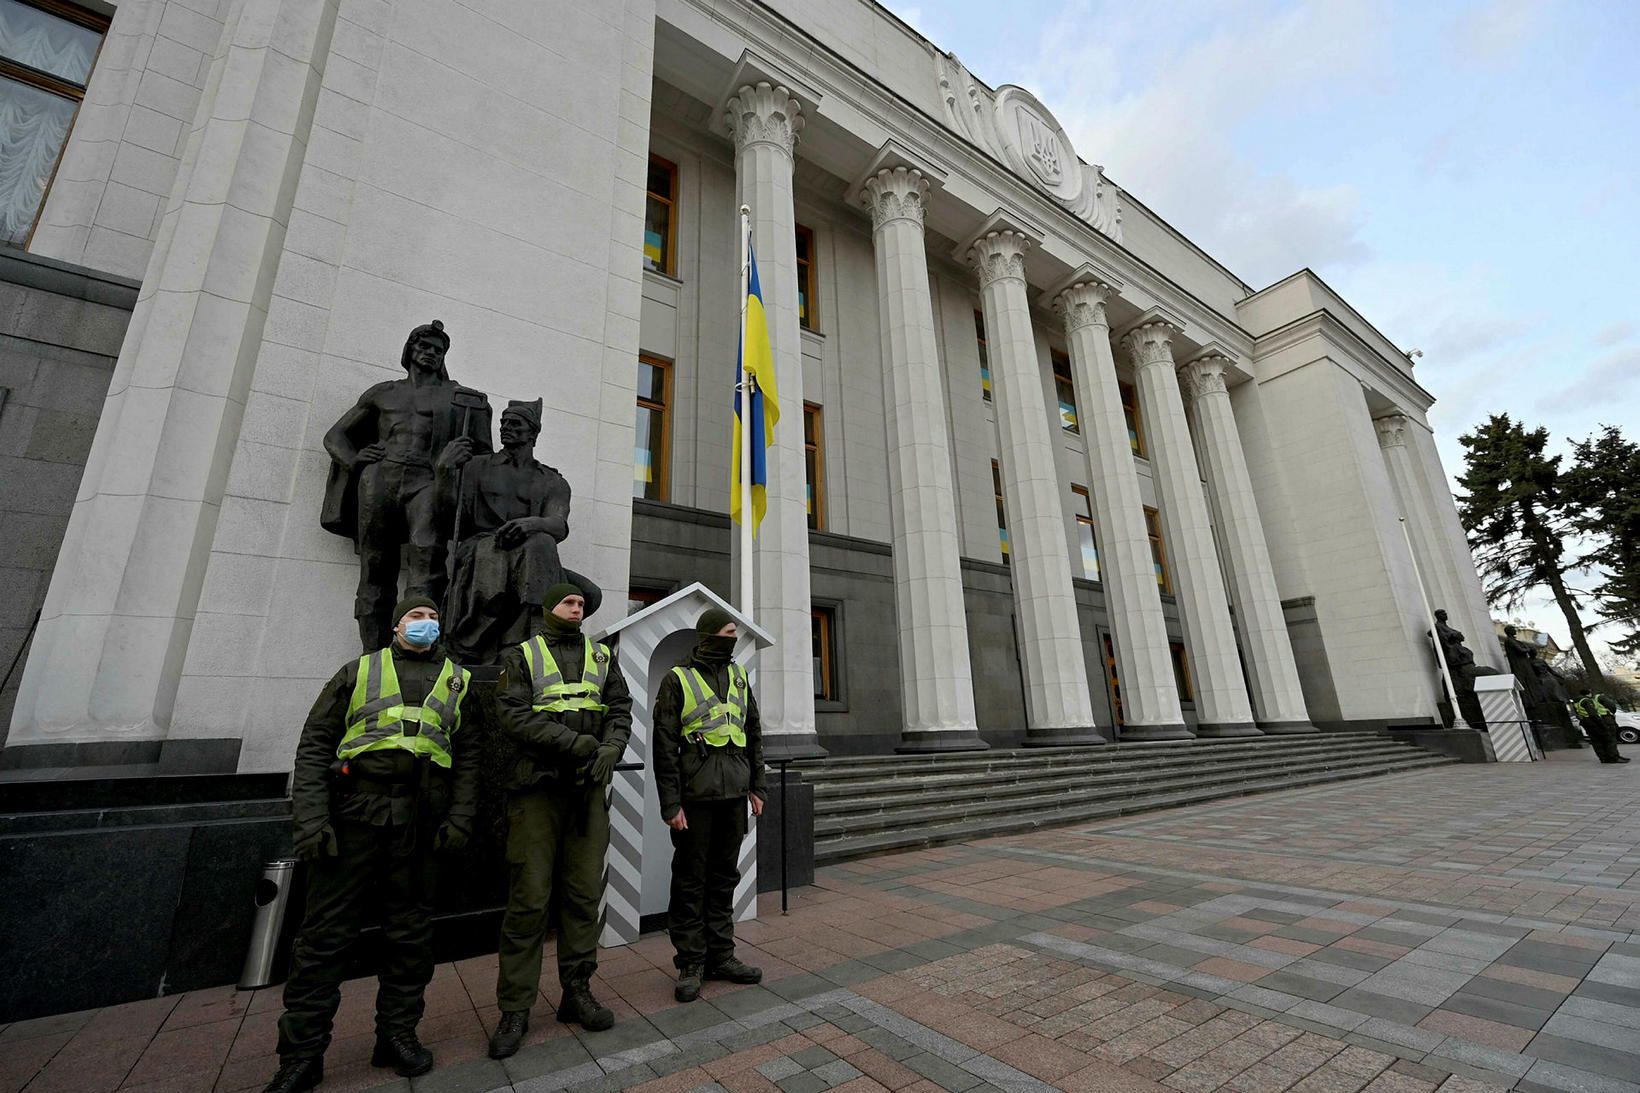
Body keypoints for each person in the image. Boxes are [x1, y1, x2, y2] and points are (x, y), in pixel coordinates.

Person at [264, 597, 477, 1093]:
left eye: (432, 617)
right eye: (415, 617)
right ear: (397, 625)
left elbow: (467, 756)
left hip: (420, 825)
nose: (426, 624)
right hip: (354, 818)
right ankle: (301, 1056)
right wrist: (312, 822)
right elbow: (315, 743)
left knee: (410, 938)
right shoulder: (357, 671)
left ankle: (397, 1036)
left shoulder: (457, 679)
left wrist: (461, 818)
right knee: (323, 940)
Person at [488, 583, 633, 1059]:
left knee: (583, 897)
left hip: (587, 794)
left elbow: (620, 709)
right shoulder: (522, 655)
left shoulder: (601, 656)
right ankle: (515, 1009)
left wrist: (612, 747)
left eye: (582, 605)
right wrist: (577, 745)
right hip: (537, 791)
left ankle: (577, 992)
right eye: (570, 604)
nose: (578, 609)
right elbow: (512, 717)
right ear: (550, 608)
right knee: (529, 901)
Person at [321, 320, 492, 650]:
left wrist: (458, 461)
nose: (431, 354)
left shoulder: (460, 399)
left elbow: (483, 455)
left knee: (427, 561)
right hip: (380, 478)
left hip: (427, 480)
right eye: (424, 347)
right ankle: (373, 654)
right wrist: (354, 459)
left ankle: (420, 651)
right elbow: (335, 436)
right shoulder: (384, 392)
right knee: (375, 566)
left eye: (438, 350)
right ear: (409, 351)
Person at [653, 607, 767, 1003]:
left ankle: (722, 955)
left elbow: (752, 731)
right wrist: (670, 803)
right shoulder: (677, 679)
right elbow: (664, 746)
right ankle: (690, 962)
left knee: (723, 879)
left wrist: (759, 787)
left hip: (734, 797)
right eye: (728, 632)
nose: (733, 638)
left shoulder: (738, 676)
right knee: (690, 881)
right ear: (709, 636)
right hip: (695, 800)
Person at [435, 397, 596, 664]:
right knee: (539, 544)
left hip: (531, 557)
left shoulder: (552, 480)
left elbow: (557, 524)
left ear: (533, 432)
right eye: (503, 422)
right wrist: (444, 472)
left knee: (587, 591)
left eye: (515, 423)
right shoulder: (476, 467)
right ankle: (528, 638)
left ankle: (519, 636)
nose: (505, 427)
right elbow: (450, 519)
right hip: (484, 547)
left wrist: (530, 524)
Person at [1573, 688, 1629, 764]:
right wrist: (1602, 724)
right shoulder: (1588, 700)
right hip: (1596, 722)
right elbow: (1594, 714)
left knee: (1597, 742)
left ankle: (1604, 758)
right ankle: (1613, 757)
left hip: (1586, 723)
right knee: (1609, 739)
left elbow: (1578, 713)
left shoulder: (1576, 701)